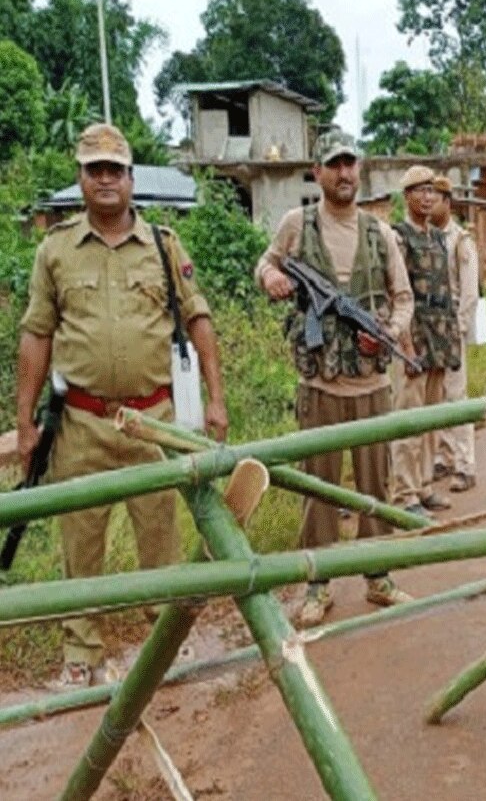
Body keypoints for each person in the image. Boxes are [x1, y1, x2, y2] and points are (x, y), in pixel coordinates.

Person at [17, 123, 228, 687]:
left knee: (161, 537)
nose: (105, 179)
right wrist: (22, 421)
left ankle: (166, 648)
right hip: (80, 422)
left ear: (132, 178)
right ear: (81, 178)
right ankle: (81, 657)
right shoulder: (55, 249)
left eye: (115, 169)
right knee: (79, 544)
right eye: (94, 169)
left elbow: (199, 318)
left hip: (151, 420)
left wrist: (216, 399)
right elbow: (36, 334)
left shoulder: (164, 244)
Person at [257, 129, 415, 628]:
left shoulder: (380, 232)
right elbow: (266, 262)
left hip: (371, 385)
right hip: (319, 386)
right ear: (318, 173)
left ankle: (377, 577)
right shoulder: (296, 225)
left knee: (375, 487)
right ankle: (317, 584)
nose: (344, 173)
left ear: (359, 170)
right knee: (319, 487)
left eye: (351, 164)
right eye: (335, 164)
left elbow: (404, 297)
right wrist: (273, 279)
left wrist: (386, 332)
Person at [390, 166, 460, 514]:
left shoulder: (437, 238)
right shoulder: (399, 238)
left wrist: (451, 345)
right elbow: (397, 296)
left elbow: (446, 293)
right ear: (407, 196)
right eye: (420, 190)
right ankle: (404, 493)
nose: (428, 196)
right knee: (409, 419)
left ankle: (423, 485)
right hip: (412, 339)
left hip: (438, 337)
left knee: (431, 419)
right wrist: (405, 347)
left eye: (432, 190)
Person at [431, 175, 480, 492]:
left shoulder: (460, 241)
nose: (428, 202)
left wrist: (458, 330)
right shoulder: (425, 237)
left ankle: (465, 465)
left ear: (447, 203)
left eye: (434, 197)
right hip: (429, 332)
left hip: (451, 330)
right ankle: (444, 458)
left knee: (456, 398)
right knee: (437, 398)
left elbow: (469, 292)